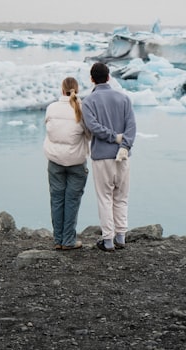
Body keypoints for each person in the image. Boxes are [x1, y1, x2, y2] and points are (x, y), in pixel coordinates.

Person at [80, 61, 136, 252]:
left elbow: (92, 127)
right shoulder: (124, 98)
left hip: (102, 157)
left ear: (92, 79)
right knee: (121, 196)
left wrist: (112, 137)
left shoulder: (88, 102)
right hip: (123, 155)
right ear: (109, 77)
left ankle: (108, 240)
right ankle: (121, 236)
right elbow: (131, 126)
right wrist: (124, 144)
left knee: (105, 198)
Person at [42, 76, 90, 250]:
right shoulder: (81, 109)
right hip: (76, 162)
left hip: (55, 161)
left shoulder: (51, 108)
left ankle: (58, 240)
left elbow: (48, 127)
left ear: (62, 90)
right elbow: (89, 134)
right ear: (76, 90)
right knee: (72, 201)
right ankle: (68, 240)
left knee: (56, 199)